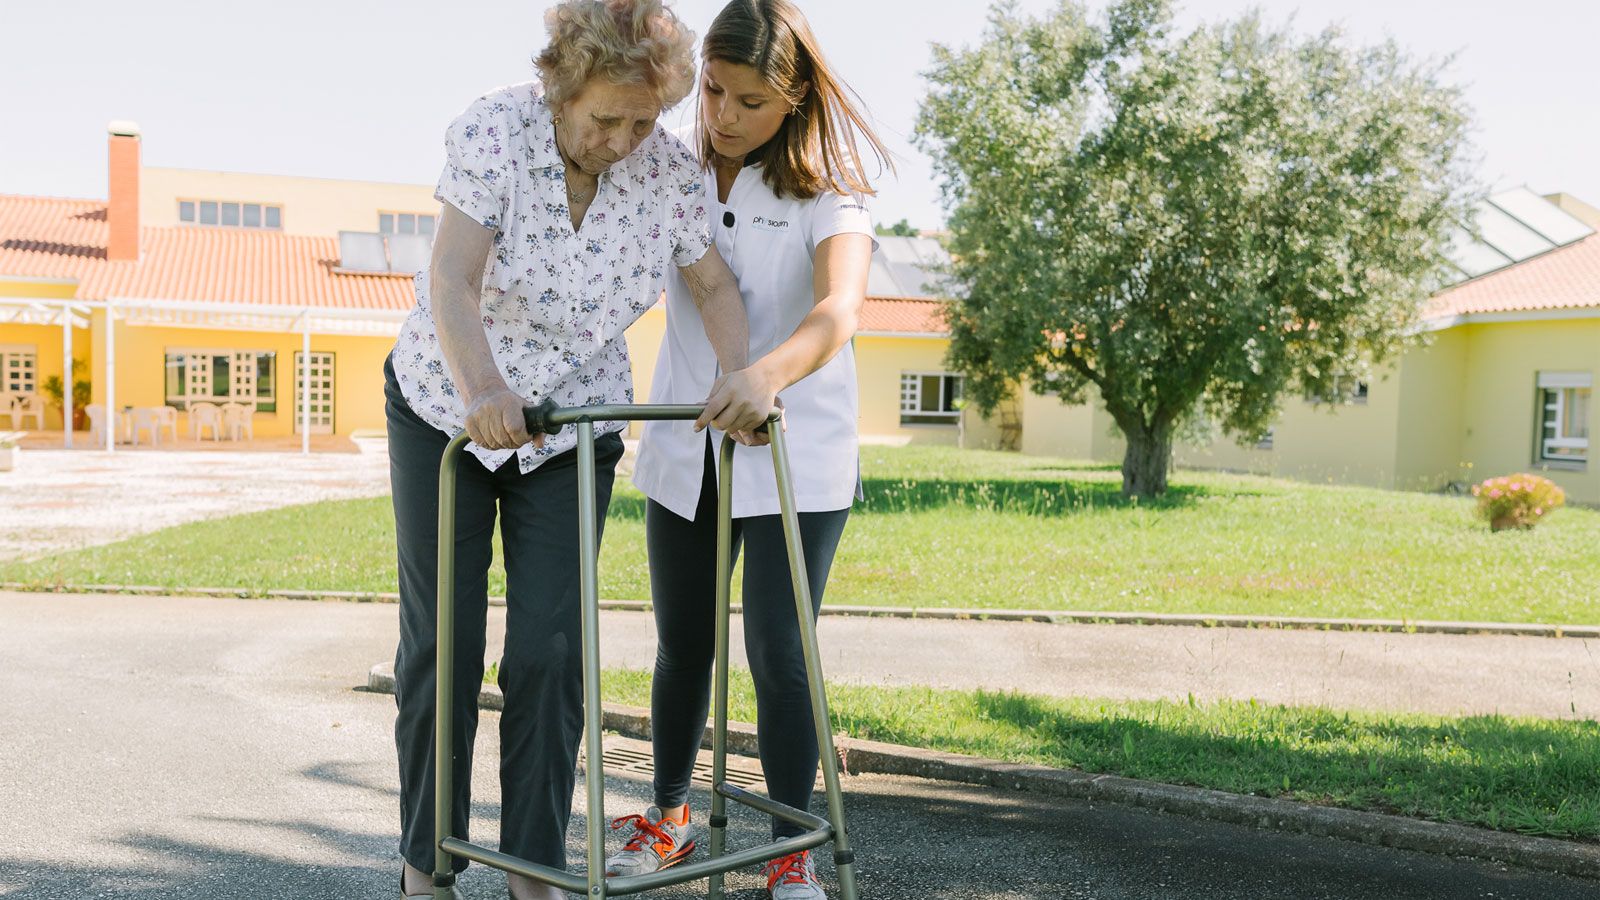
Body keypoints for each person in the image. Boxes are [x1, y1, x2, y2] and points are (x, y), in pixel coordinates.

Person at [384, 2, 768, 897]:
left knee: (552, 652)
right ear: (561, 85)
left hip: (571, 427)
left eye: (644, 120)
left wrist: (747, 377)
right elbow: (453, 276)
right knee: (444, 640)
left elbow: (710, 284)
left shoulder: (665, 173)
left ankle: (532, 871)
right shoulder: (494, 129)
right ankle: (427, 863)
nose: (622, 140)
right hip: (450, 407)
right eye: (606, 118)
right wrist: (483, 390)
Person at [614, 1, 892, 897]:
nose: (723, 116)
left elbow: (839, 311)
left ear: (794, 101)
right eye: (712, 91)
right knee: (681, 644)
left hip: (794, 458)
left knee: (779, 649)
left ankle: (789, 853)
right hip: (683, 447)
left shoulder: (830, 189)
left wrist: (766, 376)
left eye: (749, 102)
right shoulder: (666, 169)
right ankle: (671, 818)